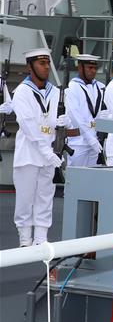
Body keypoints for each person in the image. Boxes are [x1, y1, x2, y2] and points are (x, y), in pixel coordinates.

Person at [9, 48, 69, 246]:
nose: (45, 67)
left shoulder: (55, 92)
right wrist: (47, 152)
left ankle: (41, 238)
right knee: (25, 199)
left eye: (47, 63)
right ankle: (25, 238)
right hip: (29, 154)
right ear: (30, 66)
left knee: (46, 197)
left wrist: (63, 121)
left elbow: (52, 123)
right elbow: (29, 127)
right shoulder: (21, 92)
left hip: (50, 153)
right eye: (41, 63)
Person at [66, 54, 106, 167]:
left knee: (93, 180)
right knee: (76, 179)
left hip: (97, 140)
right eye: (89, 68)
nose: (93, 71)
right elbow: (76, 116)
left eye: (95, 68)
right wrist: (90, 138)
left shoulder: (101, 87)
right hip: (79, 142)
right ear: (80, 68)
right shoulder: (72, 88)